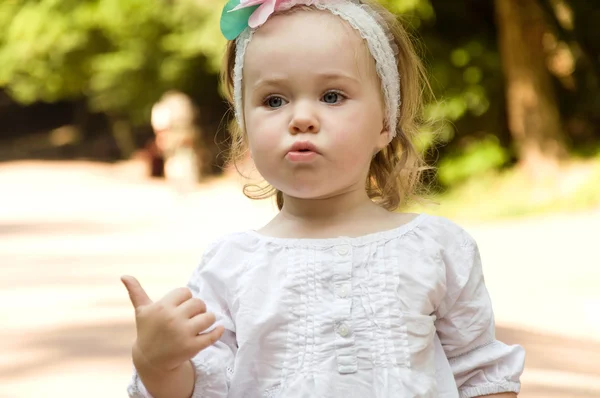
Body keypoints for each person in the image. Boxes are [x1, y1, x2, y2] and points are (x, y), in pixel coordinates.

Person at [121, 0, 525, 397]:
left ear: (386, 122)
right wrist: (157, 362)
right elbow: (203, 387)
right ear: (244, 126)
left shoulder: (436, 249)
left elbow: (481, 375)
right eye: (274, 101)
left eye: (332, 96)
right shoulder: (231, 265)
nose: (301, 118)